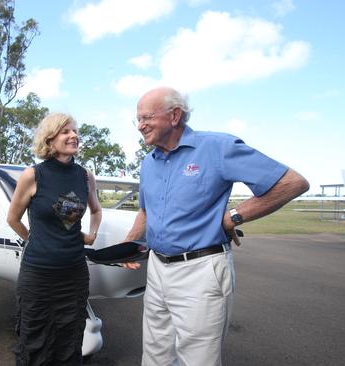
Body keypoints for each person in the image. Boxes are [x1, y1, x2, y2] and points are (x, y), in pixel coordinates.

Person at [123, 86, 309, 366]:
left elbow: (292, 183)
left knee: (197, 359)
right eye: (137, 119)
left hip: (200, 270)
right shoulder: (149, 162)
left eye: (146, 117)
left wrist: (232, 217)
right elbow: (146, 212)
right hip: (158, 269)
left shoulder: (217, 147)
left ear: (175, 115)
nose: (140, 126)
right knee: (155, 354)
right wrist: (127, 246)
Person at [7, 112, 102, 366]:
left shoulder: (84, 176)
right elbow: (13, 219)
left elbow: (96, 209)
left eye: (74, 131)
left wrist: (92, 234)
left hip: (74, 274)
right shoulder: (33, 175)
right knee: (35, 338)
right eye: (65, 131)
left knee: (70, 337)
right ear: (50, 140)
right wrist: (34, 239)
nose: (73, 135)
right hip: (38, 274)